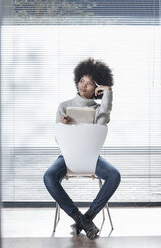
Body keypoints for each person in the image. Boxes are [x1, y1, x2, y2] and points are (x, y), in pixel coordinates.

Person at [43, 58, 121, 239]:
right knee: (48, 176)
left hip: (91, 157)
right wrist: (63, 125)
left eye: (90, 84)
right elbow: (58, 139)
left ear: (98, 88)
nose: (84, 86)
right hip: (67, 156)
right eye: (81, 81)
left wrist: (109, 92)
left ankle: (86, 218)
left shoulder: (98, 109)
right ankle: (80, 218)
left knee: (114, 175)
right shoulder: (63, 106)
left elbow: (103, 121)